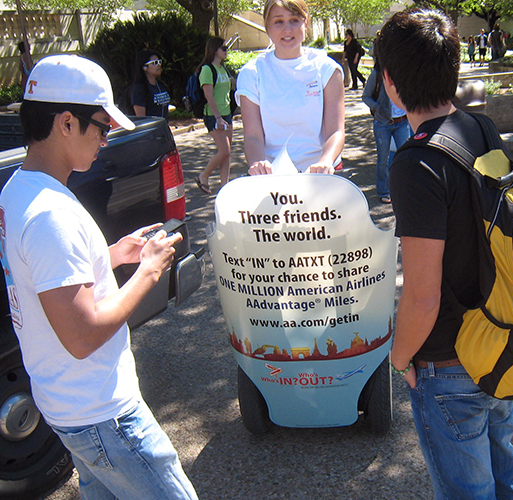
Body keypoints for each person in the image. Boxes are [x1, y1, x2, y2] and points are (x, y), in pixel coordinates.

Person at [0, 54, 198, 499]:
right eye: (102, 127)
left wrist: (109, 255)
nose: (106, 139)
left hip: (68, 408)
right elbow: (83, 335)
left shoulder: (19, 189)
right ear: (66, 122)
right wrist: (147, 270)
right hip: (105, 415)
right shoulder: (50, 214)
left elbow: (47, 281)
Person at [378, 8, 513, 499]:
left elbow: (422, 297)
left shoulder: (414, 165)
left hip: (450, 363)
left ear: (390, 83)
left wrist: (398, 358)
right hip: (501, 341)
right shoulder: (481, 128)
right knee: (504, 479)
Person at [236, 0, 344, 175]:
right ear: (267, 26)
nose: (287, 29)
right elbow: (253, 136)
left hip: (321, 175)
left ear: (306, 22)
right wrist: (258, 164)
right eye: (278, 21)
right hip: (275, 176)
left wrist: (325, 161)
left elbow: (336, 131)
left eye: (294, 20)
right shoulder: (252, 73)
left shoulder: (327, 69)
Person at [362, 58, 411, 204]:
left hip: (402, 122)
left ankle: (404, 189)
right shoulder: (377, 74)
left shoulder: (404, 73)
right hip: (383, 124)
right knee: (383, 160)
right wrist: (378, 107)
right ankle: (384, 191)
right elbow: (366, 97)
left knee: (405, 157)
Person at [195, 37, 233, 194]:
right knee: (224, 151)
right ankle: (203, 176)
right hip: (214, 115)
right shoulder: (207, 69)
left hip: (227, 113)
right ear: (214, 50)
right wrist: (217, 117)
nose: (226, 51)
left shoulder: (223, 68)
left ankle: (225, 186)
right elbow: (209, 96)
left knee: (227, 153)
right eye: (223, 48)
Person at [130, 49, 171, 119]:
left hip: (163, 128)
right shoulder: (139, 88)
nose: (159, 65)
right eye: (155, 63)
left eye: (159, 62)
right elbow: (141, 118)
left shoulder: (160, 85)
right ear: (145, 67)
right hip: (151, 129)